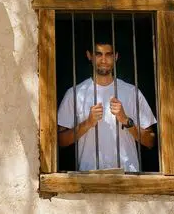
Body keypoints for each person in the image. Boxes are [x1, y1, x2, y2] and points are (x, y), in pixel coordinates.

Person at [57, 38, 156, 172]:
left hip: (128, 177)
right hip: (89, 177)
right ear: (89, 56)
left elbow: (150, 141)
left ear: (115, 57)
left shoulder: (132, 92)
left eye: (108, 54)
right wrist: (87, 123)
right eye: (98, 54)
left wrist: (126, 120)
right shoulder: (75, 93)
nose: (104, 60)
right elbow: (60, 141)